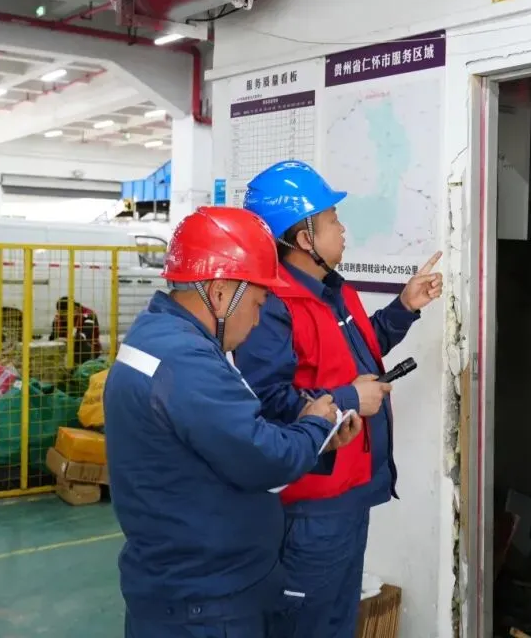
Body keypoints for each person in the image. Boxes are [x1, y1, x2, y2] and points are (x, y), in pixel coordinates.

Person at [104, 206, 363, 638]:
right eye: (258, 303)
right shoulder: (186, 361)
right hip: (207, 603)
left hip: (182, 584)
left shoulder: (159, 334)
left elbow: (220, 442)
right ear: (221, 292)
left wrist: (316, 441)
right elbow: (262, 458)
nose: (258, 319)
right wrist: (317, 425)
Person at [234, 161, 443, 638]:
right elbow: (266, 402)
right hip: (310, 505)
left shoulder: (334, 290)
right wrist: (350, 397)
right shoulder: (273, 306)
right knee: (307, 626)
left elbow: (360, 351)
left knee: (337, 622)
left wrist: (405, 306)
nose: (343, 229)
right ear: (304, 238)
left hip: (350, 492)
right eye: (332, 220)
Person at [49, 296, 102, 364]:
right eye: (61, 314)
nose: (63, 316)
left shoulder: (89, 315)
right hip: (67, 347)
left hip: (88, 348)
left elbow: (85, 336)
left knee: (81, 345)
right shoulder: (59, 317)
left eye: (65, 314)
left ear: (75, 309)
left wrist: (67, 340)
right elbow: (53, 336)